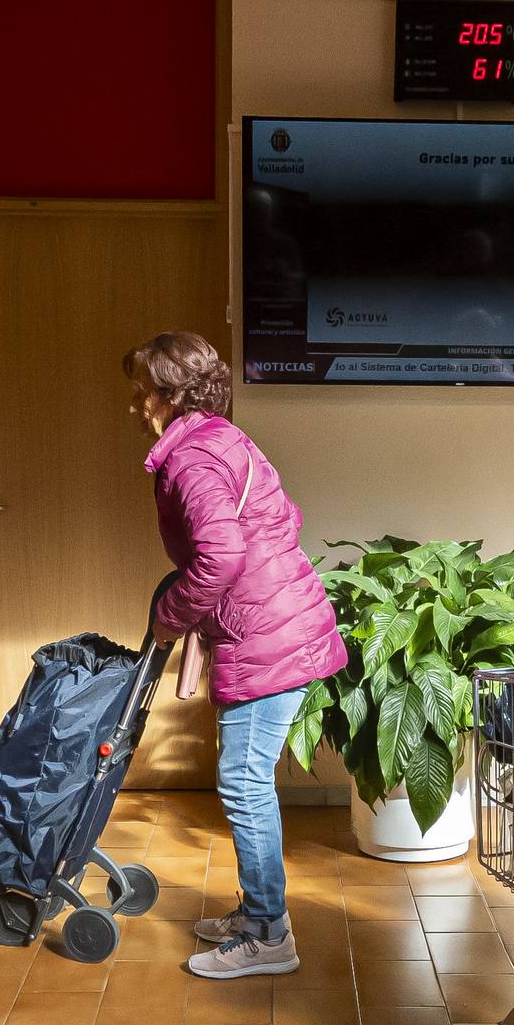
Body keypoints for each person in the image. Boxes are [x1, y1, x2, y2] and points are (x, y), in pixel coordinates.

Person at [124, 331, 347, 981]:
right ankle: (257, 912)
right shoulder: (221, 439)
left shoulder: (191, 459)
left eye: (143, 393)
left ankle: (270, 934)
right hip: (280, 625)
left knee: (244, 784)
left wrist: (172, 618)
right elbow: (282, 516)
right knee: (246, 781)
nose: (137, 406)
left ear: (171, 393)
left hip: (268, 639)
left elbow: (221, 554)